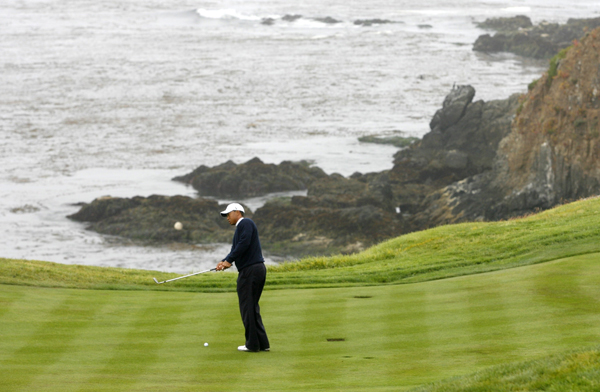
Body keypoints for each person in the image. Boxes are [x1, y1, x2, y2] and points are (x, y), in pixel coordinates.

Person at [216, 202, 270, 352]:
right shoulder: (242, 226)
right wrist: (224, 261)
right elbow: (237, 248)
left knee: (247, 307)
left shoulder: (245, 222)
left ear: (237, 212)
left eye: (228, 214)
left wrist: (229, 260)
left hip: (250, 271)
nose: (227, 217)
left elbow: (243, 243)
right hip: (255, 269)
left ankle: (252, 344)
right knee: (252, 307)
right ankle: (262, 343)